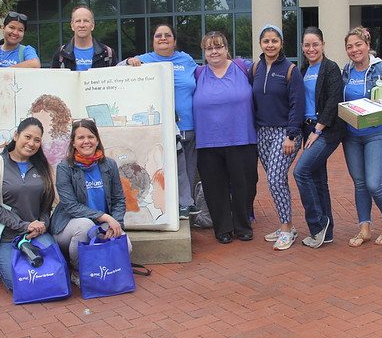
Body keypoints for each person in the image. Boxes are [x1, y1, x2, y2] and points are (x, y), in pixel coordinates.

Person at [120, 24, 200, 220]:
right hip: (163, 130)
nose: (163, 38)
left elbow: (202, 75)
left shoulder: (186, 60)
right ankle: (168, 210)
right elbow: (118, 70)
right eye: (158, 35)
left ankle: (185, 210)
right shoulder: (145, 60)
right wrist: (128, 62)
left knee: (188, 172)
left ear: (174, 40)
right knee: (164, 171)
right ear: (153, 40)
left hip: (189, 127)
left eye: (167, 35)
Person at [340, 27, 382, 247]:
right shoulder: (347, 71)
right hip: (351, 134)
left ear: (368, 45)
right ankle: (364, 228)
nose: (354, 50)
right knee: (359, 183)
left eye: (358, 44)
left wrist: (376, 104)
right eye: (349, 46)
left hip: (376, 133)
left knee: (374, 183)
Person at [193, 31, 258, 244]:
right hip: (208, 141)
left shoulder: (243, 67)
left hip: (242, 138)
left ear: (226, 48)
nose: (214, 51)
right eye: (209, 48)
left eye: (218, 47)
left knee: (244, 185)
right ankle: (222, 228)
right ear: (204, 51)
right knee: (214, 187)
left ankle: (242, 226)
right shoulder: (197, 73)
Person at [0, 117, 56, 289]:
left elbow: (46, 206)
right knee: (19, 285)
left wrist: (42, 224)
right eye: (27, 137)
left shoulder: (41, 166)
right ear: (16, 136)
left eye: (37, 140)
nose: (31, 143)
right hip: (7, 237)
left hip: (36, 235)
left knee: (53, 276)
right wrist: (24, 225)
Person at [50, 119, 126, 276]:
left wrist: (115, 223)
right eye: (81, 138)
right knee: (85, 226)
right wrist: (105, 217)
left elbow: (118, 199)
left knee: (126, 246)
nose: (86, 142)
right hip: (69, 227)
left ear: (97, 140)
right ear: (73, 142)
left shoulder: (109, 165)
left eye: (90, 137)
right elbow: (70, 206)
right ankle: (78, 272)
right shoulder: (65, 168)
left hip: (100, 224)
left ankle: (99, 271)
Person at [251, 24, 304, 251]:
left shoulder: (291, 70)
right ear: (260, 44)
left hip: (285, 133)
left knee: (274, 179)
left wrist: (291, 135)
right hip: (262, 132)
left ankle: (285, 228)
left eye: (274, 41)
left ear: (281, 43)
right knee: (277, 181)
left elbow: (297, 105)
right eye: (266, 41)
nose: (270, 45)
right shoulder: (255, 69)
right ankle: (288, 225)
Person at [293, 27, 345, 248]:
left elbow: (334, 100)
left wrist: (318, 130)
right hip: (307, 128)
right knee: (317, 180)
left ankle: (317, 224)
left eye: (315, 44)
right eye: (307, 45)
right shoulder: (304, 69)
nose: (311, 49)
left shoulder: (331, 68)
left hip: (325, 130)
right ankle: (328, 231)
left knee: (301, 172)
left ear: (323, 45)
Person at [51, 6, 116, 70]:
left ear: (92, 25)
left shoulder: (108, 53)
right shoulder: (61, 54)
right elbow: (54, 79)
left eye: (86, 21)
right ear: (72, 26)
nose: (82, 25)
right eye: (78, 21)